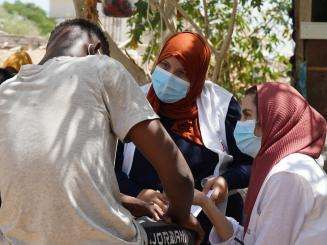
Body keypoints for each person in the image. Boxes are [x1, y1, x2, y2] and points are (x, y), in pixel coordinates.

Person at [0, 19, 203, 244]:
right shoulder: (101, 68)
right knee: (188, 234)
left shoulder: (5, 92)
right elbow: (180, 176)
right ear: (96, 51)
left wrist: (129, 202)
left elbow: (43, 181)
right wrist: (179, 217)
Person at [115, 31, 253, 242]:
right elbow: (108, 168)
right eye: (165, 66)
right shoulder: (133, 102)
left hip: (205, 230)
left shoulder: (221, 107)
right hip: (139, 229)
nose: (169, 77)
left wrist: (226, 181)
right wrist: (139, 194)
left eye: (182, 73)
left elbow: (250, 163)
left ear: (197, 77)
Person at [194, 82, 327, 244]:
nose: (239, 123)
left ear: (273, 120)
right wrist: (206, 204)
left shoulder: (288, 176)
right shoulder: (280, 168)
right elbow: (250, 239)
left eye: (247, 115)